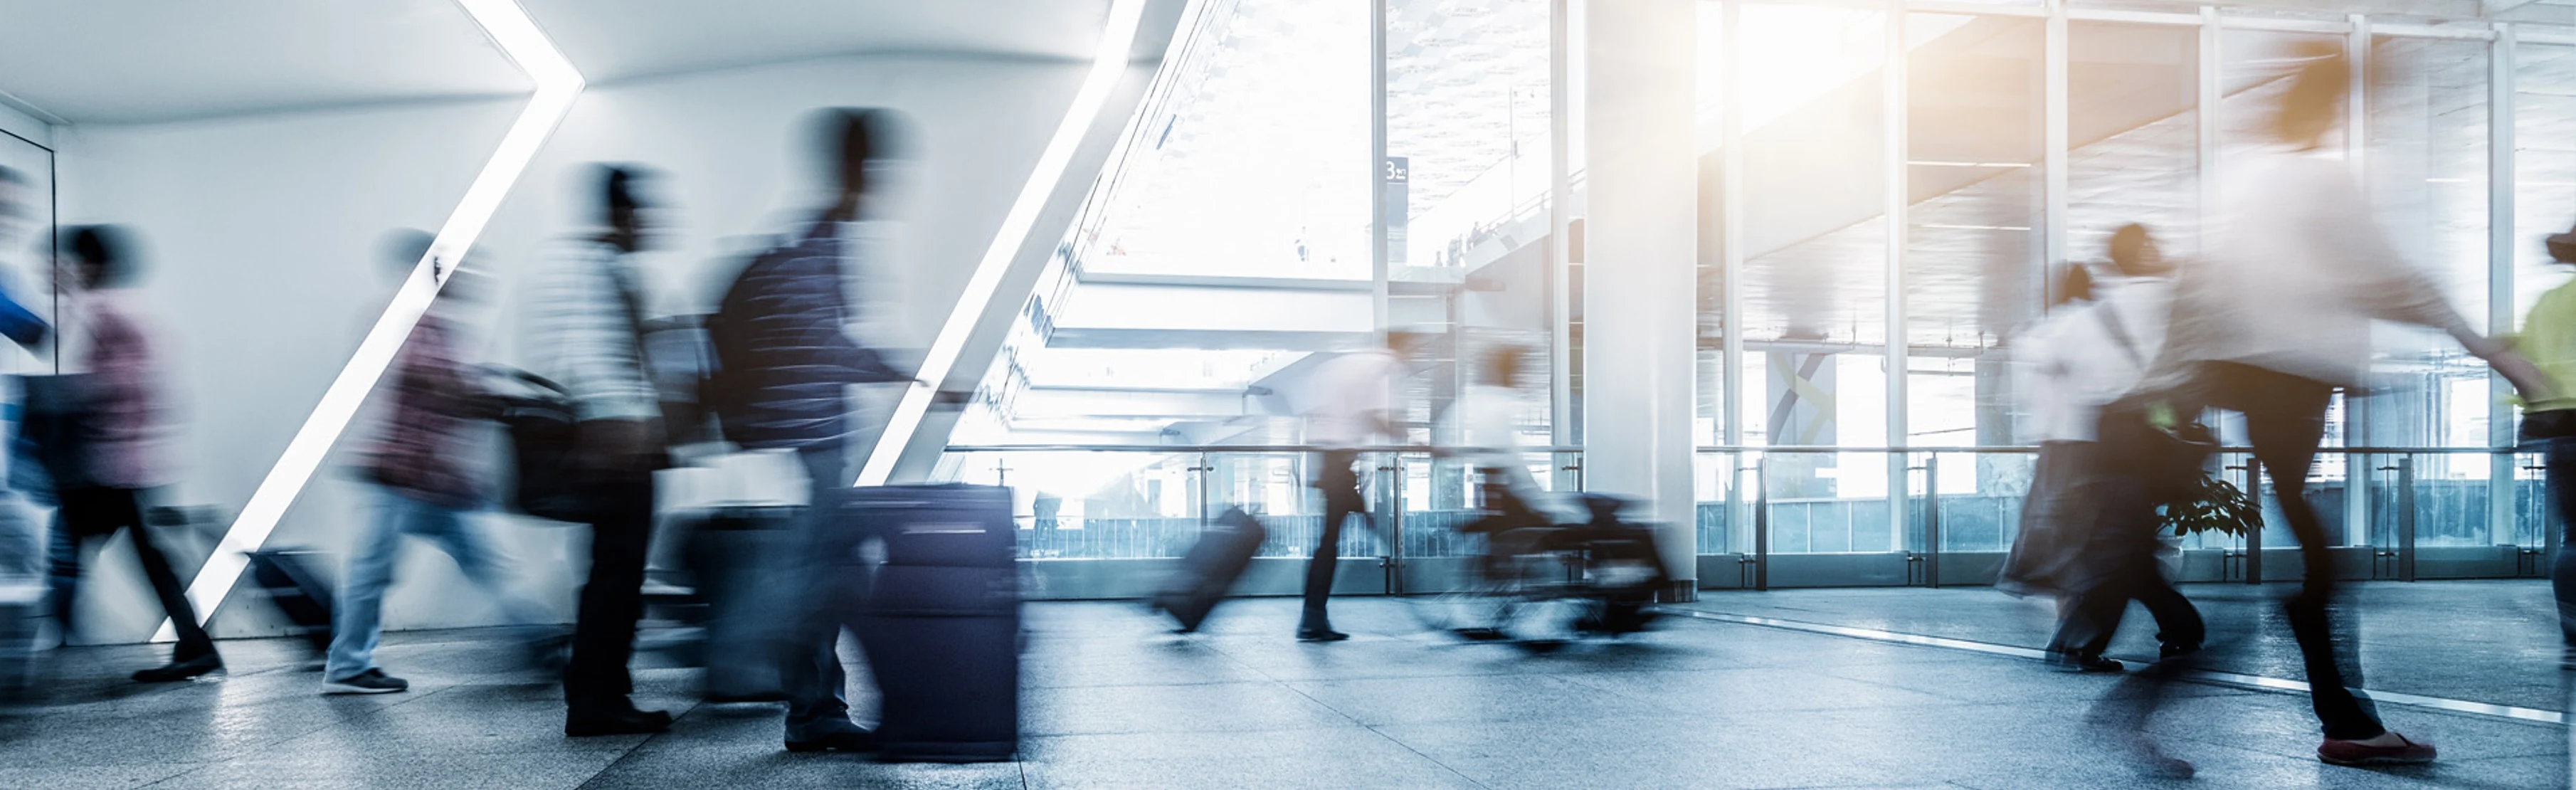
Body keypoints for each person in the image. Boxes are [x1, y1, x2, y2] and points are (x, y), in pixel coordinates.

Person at [2144, 47, 2550, 767]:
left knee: (2311, 546)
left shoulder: (2236, 176)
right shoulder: (2314, 179)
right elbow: (2386, 279)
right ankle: (2337, 720)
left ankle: (2336, 711)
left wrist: (2178, 387)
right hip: (2289, 378)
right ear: (2331, 108)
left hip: (2238, 375)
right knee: (2317, 560)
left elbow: (2197, 286)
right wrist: (2490, 352)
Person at [704, 108, 911, 753]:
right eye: (877, 167)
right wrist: (905, 370)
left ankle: (814, 708)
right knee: (819, 575)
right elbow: (822, 345)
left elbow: (819, 340)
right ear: (860, 167)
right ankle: (756, 653)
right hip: (815, 433)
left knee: (830, 570)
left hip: (810, 433)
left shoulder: (822, 237)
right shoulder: (822, 242)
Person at [320, 231, 556, 695]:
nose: (461, 278)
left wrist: (497, 394)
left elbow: (455, 387)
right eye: (448, 269)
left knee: (486, 561)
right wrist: (502, 401)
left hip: (436, 480)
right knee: (373, 572)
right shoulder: (406, 322)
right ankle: (347, 668)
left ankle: (540, 638)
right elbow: (441, 386)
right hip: (400, 475)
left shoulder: (436, 326)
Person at [2000, 225, 2202, 674]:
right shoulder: (2132, 308)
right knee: (2123, 551)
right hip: (2116, 446)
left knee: (2115, 550)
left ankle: (2085, 642)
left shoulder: (2062, 327)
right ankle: (2163, 631)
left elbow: (2034, 368)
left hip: (2085, 450)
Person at [41, 225, 221, 682]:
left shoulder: (103, 310)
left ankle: (44, 648)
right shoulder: (129, 309)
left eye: (69, 261)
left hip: (110, 464)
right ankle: (195, 645)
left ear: (91, 265)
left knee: (68, 553)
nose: (61, 269)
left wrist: (67, 400)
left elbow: (119, 385)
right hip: (131, 462)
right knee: (146, 559)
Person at [531, 167, 673, 736]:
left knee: (610, 576)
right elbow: (597, 359)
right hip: (617, 446)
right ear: (623, 214)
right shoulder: (600, 270)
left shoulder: (592, 266)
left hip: (616, 441)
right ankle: (596, 698)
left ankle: (599, 688)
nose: (650, 223)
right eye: (642, 212)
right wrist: (627, 430)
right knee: (616, 577)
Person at [1294, 333, 1409, 642]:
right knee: (1330, 543)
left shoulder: (1350, 363)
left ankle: (1313, 616)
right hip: (1338, 462)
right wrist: (1404, 436)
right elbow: (1371, 416)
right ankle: (1312, 618)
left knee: (1331, 541)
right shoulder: (1381, 365)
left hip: (1331, 459)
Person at [2517, 220, 2576, 669]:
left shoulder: (2548, 303)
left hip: (2559, 429)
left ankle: (2573, 637)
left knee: (2573, 538)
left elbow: (2524, 364)